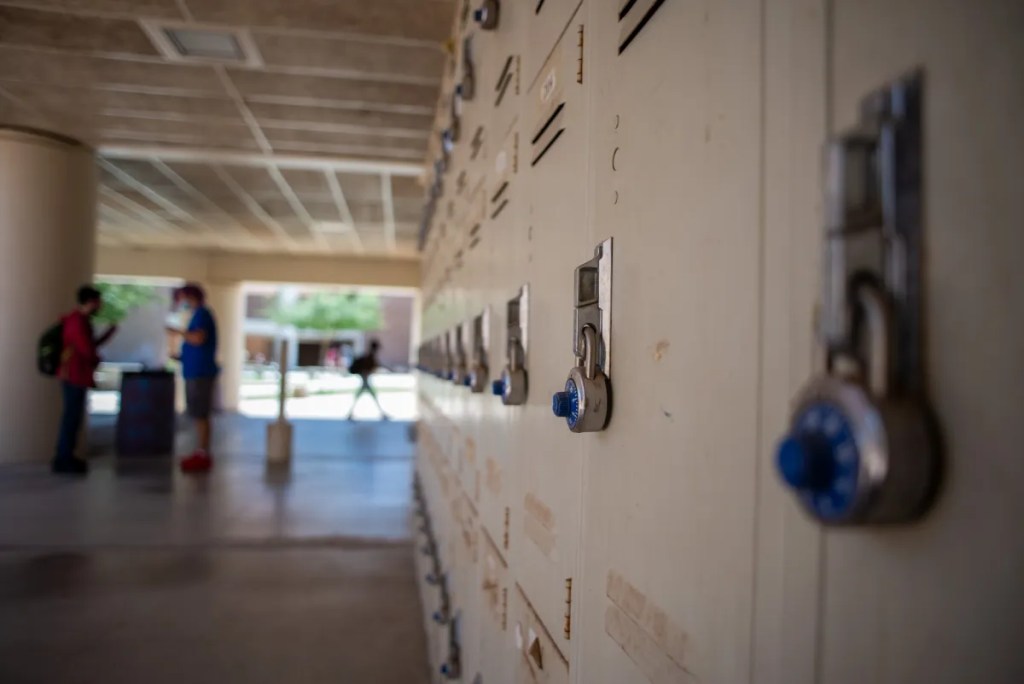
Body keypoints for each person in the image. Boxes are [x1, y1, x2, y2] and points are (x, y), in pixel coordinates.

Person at [53, 285, 117, 475]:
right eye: (98, 302)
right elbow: (86, 350)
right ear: (91, 302)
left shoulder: (78, 320)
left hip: (76, 375)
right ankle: (64, 459)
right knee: (71, 418)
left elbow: (89, 345)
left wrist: (108, 334)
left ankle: (66, 457)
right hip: (74, 375)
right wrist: (97, 359)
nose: (100, 306)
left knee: (72, 418)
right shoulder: (78, 322)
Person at [166, 283, 218, 473]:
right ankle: (200, 451)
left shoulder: (203, 314)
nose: (181, 303)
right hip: (194, 370)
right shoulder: (197, 315)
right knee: (197, 414)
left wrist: (177, 331)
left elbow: (198, 338)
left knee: (201, 413)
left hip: (201, 373)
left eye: (182, 298)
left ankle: (203, 452)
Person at [346, 340, 390, 421]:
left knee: (364, 396)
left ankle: (350, 413)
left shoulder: (370, 357)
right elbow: (368, 369)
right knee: (369, 396)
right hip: (365, 380)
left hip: (365, 381)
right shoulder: (370, 357)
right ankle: (382, 414)